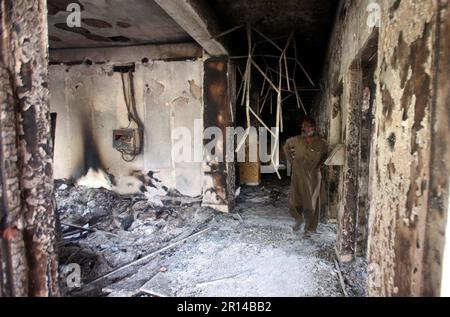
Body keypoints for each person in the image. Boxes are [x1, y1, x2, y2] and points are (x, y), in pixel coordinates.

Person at [283, 118, 328, 237]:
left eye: (306, 126)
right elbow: (286, 146)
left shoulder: (322, 143)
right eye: (302, 126)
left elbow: (327, 155)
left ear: (313, 128)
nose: (303, 128)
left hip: (313, 176)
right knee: (294, 200)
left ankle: (310, 228)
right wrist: (292, 162)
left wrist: (320, 165)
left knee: (312, 202)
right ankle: (299, 219)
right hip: (298, 174)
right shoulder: (297, 140)